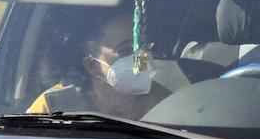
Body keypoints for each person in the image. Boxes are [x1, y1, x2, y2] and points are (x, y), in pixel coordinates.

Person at [28, 7, 169, 118]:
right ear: (92, 64)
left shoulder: (164, 103)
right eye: (125, 50)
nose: (140, 59)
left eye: (142, 48)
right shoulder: (53, 106)